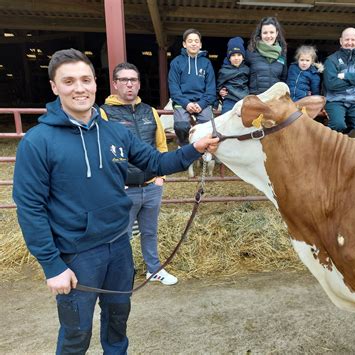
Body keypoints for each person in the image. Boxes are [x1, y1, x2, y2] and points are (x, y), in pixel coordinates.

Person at [12, 48, 218, 354]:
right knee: (76, 333)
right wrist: (52, 265)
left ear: (96, 83)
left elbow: (155, 162)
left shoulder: (114, 133)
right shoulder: (37, 141)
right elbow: (30, 208)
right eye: (68, 81)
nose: (79, 88)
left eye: (85, 79)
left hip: (119, 246)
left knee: (118, 322)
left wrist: (194, 149)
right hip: (75, 253)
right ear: (55, 87)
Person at [100, 62, 177, 285]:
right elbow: (102, 151)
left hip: (152, 185)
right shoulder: (104, 113)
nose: (129, 85)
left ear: (139, 84)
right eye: (124, 80)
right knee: (121, 235)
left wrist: (161, 176)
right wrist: (114, 181)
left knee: (150, 232)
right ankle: (123, 273)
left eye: (133, 80)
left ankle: (154, 270)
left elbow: (161, 146)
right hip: (123, 188)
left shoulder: (150, 112)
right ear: (115, 84)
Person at [168, 28, 216, 146]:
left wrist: (202, 104)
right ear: (184, 44)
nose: (193, 43)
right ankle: (184, 147)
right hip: (182, 101)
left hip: (202, 102)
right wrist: (186, 103)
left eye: (196, 41)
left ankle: (203, 150)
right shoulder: (176, 62)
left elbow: (211, 89)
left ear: (200, 44)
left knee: (206, 123)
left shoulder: (206, 63)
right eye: (190, 41)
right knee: (181, 125)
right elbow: (174, 88)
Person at [323, 27, 355, 140]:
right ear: (341, 41)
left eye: (352, 40)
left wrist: (345, 76)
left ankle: (348, 145)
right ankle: (330, 149)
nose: (349, 43)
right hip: (335, 100)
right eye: (346, 39)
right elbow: (331, 84)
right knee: (338, 125)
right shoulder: (331, 60)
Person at [246, 16, 287, 95]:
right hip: (255, 100)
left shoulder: (282, 54)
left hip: (275, 101)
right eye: (265, 33)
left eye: (271, 32)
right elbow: (242, 75)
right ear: (260, 34)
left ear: (277, 33)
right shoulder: (251, 52)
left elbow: (284, 79)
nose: (268, 36)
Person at [217, 36, 250, 114]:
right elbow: (219, 85)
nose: (236, 58)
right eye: (233, 55)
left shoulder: (247, 69)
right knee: (226, 120)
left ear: (243, 57)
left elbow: (250, 84)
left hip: (244, 100)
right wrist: (220, 91)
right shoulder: (224, 70)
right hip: (229, 100)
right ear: (229, 58)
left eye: (239, 55)